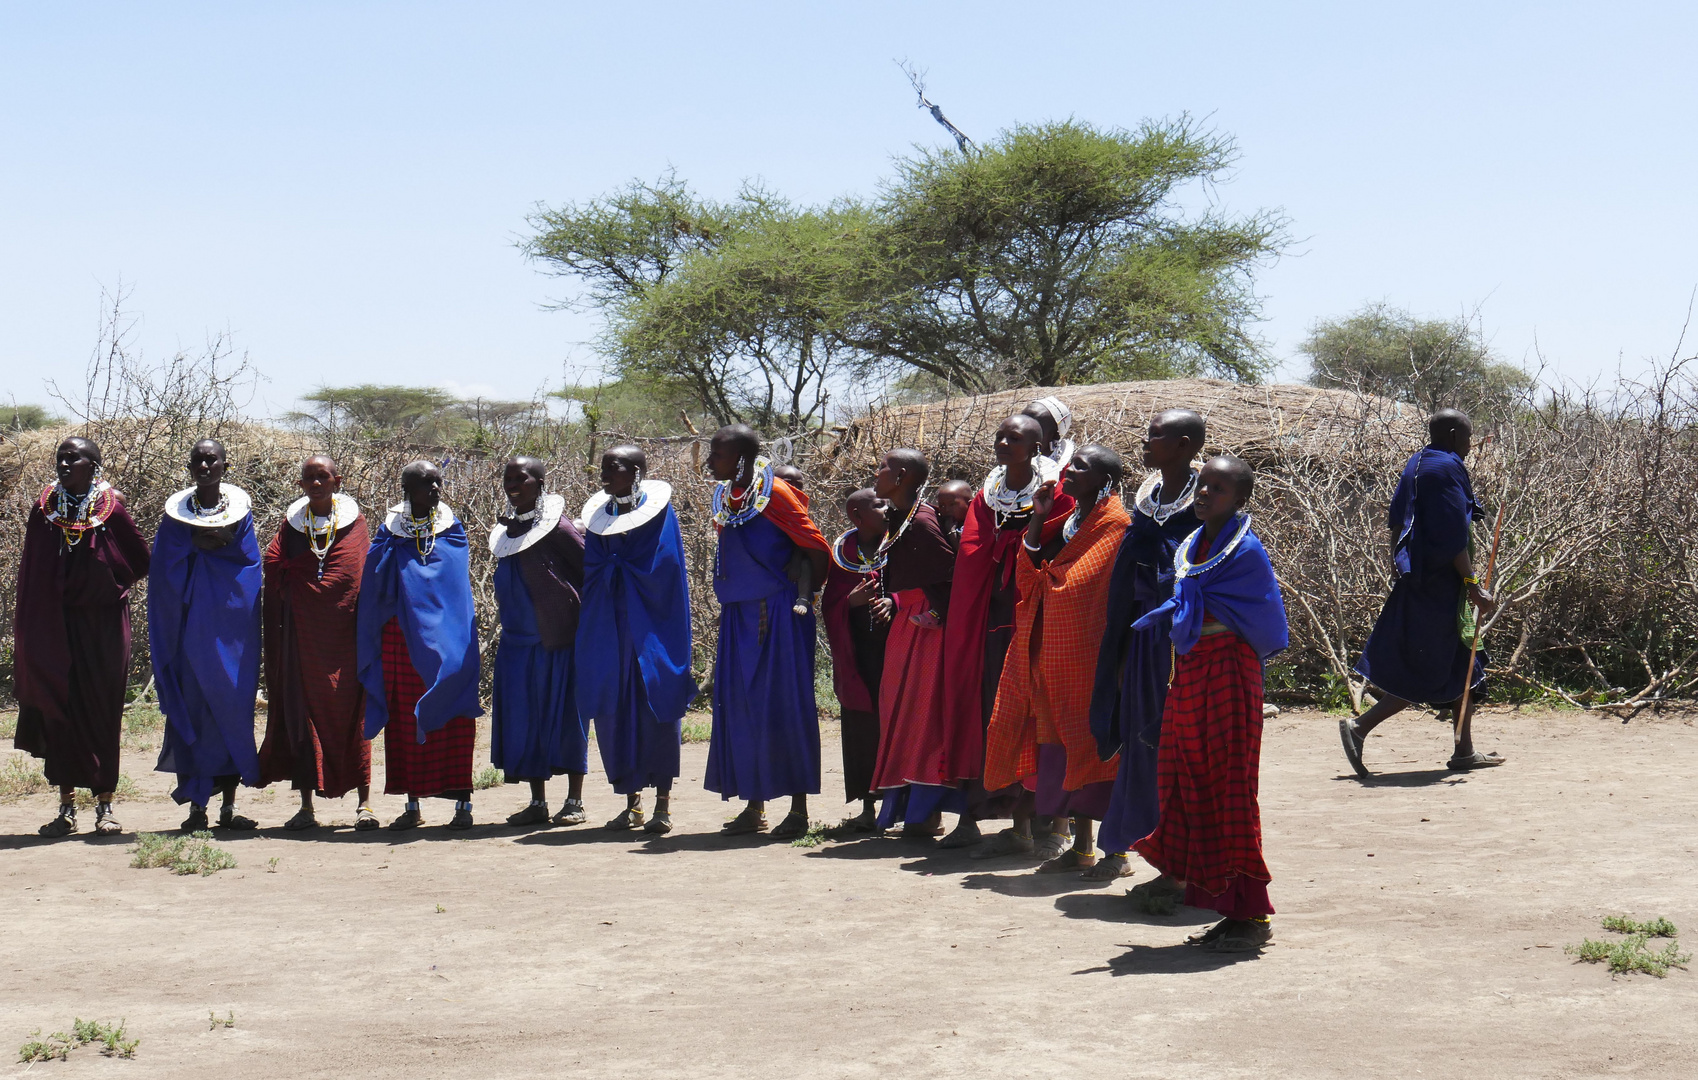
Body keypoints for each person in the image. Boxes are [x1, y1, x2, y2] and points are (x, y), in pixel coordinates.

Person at [1129, 455, 1288, 952]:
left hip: (1229, 673)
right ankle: (1222, 902)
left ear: (1240, 500)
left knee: (1229, 787)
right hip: (1193, 671)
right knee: (1184, 776)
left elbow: (1259, 622)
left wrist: (1182, 606)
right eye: (1202, 485)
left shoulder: (1246, 553)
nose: (1203, 494)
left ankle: (1250, 914)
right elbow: (1190, 594)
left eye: (1217, 489)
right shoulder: (1195, 546)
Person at [984, 445, 1131, 874]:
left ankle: (1116, 853)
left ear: (1105, 480)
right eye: (1070, 463)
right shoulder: (1068, 523)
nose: (1069, 471)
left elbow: (1085, 584)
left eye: (1081, 467)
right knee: (1066, 746)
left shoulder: (1116, 524)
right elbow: (1032, 571)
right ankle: (1081, 848)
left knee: (1099, 745)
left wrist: (1053, 586)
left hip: (1094, 652)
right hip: (1058, 652)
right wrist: (1036, 516)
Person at [1340, 409, 1502, 776]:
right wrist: (1473, 585)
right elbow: (1451, 537)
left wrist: (1398, 567)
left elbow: (1397, 522)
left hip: (1422, 581)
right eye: (1467, 436)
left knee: (1464, 662)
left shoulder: (1418, 463)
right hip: (1439, 587)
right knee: (1430, 667)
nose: (1470, 444)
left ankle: (1464, 750)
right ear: (1450, 433)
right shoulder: (1444, 468)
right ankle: (1359, 727)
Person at [940, 414, 1075, 855]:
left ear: (1037, 447)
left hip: (1037, 619)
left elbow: (1059, 549)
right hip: (994, 619)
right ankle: (1010, 821)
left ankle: (1053, 824)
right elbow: (973, 553)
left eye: (1013, 438)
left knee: (1039, 714)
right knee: (993, 712)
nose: (1002, 443)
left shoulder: (1057, 493)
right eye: (999, 435)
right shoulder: (988, 494)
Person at [14, 437, 150, 837]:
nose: (64, 462)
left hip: (104, 627)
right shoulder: (44, 510)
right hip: (55, 625)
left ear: (94, 464)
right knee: (60, 709)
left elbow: (140, 560)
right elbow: (32, 569)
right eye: (60, 457)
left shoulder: (111, 509)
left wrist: (106, 585)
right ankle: (66, 807)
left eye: (73, 457)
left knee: (102, 712)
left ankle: (105, 806)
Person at [1089, 410, 1205, 877]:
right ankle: (1127, 841)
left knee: (1172, 739)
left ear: (1182, 445)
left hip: (1181, 640)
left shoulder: (1206, 499)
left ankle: (1177, 859)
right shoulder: (1149, 500)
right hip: (1140, 635)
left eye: (1155, 436)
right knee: (1138, 733)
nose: (1146, 440)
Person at [703, 425, 830, 839]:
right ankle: (753, 804)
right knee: (741, 706)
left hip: (778, 612)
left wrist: (800, 581)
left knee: (784, 704)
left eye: (718, 455)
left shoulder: (775, 493)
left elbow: (814, 543)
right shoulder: (726, 497)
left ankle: (798, 810)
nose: (709, 462)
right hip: (739, 614)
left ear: (740, 458)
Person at [356, 460, 483, 830]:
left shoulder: (452, 530)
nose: (436, 490)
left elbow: (454, 585)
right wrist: (393, 556)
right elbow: (374, 578)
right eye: (426, 484)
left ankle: (462, 804)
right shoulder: (389, 532)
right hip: (400, 638)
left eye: (438, 483)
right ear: (407, 490)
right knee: (404, 716)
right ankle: (411, 805)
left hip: (451, 637)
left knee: (455, 711)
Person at [576, 445, 696, 834]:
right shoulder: (598, 519)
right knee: (614, 712)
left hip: (652, 631)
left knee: (656, 707)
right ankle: (632, 804)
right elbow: (591, 569)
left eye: (615, 467)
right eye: (603, 467)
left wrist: (623, 569)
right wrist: (613, 568)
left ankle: (662, 804)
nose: (605, 473)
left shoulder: (661, 516)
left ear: (638, 473)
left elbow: (665, 568)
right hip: (609, 631)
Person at [257, 455, 375, 830]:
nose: (316, 483)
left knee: (352, 713)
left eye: (322, 476)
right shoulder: (293, 527)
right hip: (303, 635)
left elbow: (359, 574)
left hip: (346, 636)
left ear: (337, 480)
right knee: (302, 711)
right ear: (301, 484)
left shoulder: (355, 525)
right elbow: (274, 562)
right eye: (309, 478)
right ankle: (307, 806)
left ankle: (365, 804)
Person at [150, 439, 263, 831]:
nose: (204, 464)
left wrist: (206, 551)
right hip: (188, 635)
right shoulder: (176, 520)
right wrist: (192, 545)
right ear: (189, 466)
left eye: (211, 458)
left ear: (224, 465)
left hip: (232, 635)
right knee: (195, 713)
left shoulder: (241, 515)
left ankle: (229, 808)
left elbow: (249, 567)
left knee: (232, 710)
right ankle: (197, 807)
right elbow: (163, 572)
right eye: (197, 459)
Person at [488, 456, 588, 827]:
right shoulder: (507, 533)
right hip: (516, 643)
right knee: (525, 721)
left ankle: (574, 801)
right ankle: (537, 802)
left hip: (556, 642)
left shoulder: (558, 528)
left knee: (565, 719)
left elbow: (587, 568)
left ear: (541, 482)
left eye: (523, 478)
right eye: (508, 478)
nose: (514, 484)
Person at [865, 450, 957, 836]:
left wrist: (936, 612)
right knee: (898, 710)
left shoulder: (920, 522)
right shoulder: (899, 519)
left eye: (882, 467)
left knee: (923, 713)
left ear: (901, 476)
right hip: (907, 623)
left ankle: (925, 812)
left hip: (929, 630)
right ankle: (912, 809)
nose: (876, 471)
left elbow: (950, 574)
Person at [821, 487, 892, 831]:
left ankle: (902, 808)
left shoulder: (899, 543)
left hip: (894, 649)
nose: (887, 507)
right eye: (878, 505)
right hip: (859, 655)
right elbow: (830, 603)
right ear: (856, 516)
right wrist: (851, 602)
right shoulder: (842, 554)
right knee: (863, 728)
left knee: (896, 725)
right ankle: (867, 807)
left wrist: (892, 600)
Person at [1023, 396, 1076, 470]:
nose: (1021, 431)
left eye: (1034, 428)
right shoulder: (1004, 463)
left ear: (1054, 435)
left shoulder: (1064, 477)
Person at [933, 479, 972, 553]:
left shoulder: (975, 525)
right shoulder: (940, 523)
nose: (947, 509)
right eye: (942, 506)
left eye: (952, 504)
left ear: (969, 504)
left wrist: (951, 532)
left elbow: (963, 552)